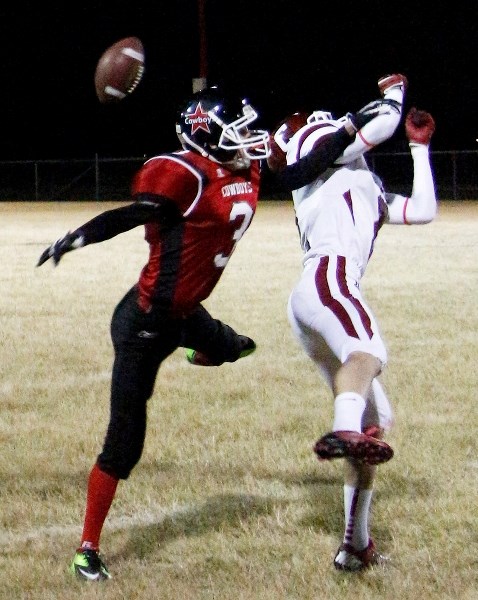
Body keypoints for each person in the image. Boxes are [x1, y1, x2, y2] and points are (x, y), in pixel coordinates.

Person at [36, 85, 383, 581]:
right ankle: (87, 549)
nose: (250, 142)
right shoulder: (184, 174)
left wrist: (349, 129)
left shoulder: (249, 169)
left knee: (236, 347)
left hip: (186, 315)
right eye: (238, 134)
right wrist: (76, 237)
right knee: (124, 444)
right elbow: (131, 215)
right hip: (144, 324)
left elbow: (300, 170)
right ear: (207, 137)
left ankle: (198, 349)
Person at [267, 74, 437, 571]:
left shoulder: (356, 178)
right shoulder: (321, 148)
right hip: (330, 278)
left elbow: (423, 210)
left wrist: (420, 150)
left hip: (317, 293)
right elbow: (379, 122)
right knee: (368, 355)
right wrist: (394, 94)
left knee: (376, 425)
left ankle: (354, 545)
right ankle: (342, 428)